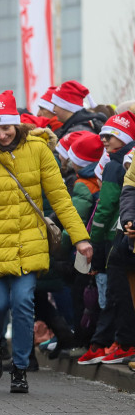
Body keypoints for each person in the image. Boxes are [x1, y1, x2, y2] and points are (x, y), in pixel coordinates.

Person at [0, 90, 93, 394]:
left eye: (7, 127)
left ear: (17, 124)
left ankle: (19, 367)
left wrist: (80, 238)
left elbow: (60, 198)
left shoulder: (39, 150)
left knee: (24, 302)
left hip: (29, 242)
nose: (2, 135)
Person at [76, 112, 135, 365]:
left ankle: (120, 343)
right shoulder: (118, 161)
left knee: (116, 294)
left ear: (123, 138)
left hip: (116, 237)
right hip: (123, 232)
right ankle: (115, 342)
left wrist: (95, 240)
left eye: (110, 136)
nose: (105, 141)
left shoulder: (113, 166)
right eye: (103, 136)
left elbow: (107, 205)